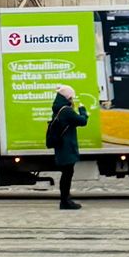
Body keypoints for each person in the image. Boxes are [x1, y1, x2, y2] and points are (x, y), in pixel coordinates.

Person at [47, 83, 87, 211]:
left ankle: (66, 199)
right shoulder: (66, 111)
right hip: (66, 148)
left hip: (62, 147)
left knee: (67, 173)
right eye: (71, 97)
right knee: (67, 174)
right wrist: (83, 111)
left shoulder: (59, 109)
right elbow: (82, 121)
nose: (72, 100)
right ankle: (65, 201)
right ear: (67, 97)